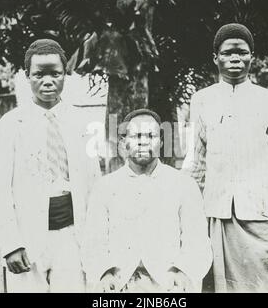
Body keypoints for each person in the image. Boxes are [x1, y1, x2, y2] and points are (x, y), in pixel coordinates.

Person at [182, 23, 268, 293]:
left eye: (242, 52)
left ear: (252, 57)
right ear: (215, 57)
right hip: (217, 217)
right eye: (228, 52)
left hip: (261, 222)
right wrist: (182, 212)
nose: (235, 58)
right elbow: (195, 163)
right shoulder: (201, 100)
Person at [0, 39, 101, 292]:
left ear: (65, 75)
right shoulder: (12, 125)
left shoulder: (82, 122)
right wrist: (12, 244)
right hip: (28, 237)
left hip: (73, 235)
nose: (48, 81)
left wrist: (95, 239)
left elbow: (94, 183)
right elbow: (0, 191)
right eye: (39, 74)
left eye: (56, 74)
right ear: (27, 75)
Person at [82, 109, 212, 293]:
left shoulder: (183, 184)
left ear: (161, 142)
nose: (143, 142)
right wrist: (105, 273)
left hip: (168, 282)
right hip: (120, 283)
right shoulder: (104, 187)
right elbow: (93, 242)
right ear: (123, 142)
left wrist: (182, 271)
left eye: (151, 135)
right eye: (136, 136)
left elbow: (197, 241)